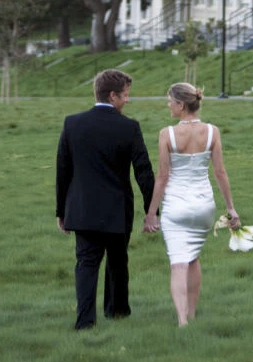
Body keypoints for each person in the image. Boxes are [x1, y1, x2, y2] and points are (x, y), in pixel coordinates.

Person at [56, 69, 155, 330]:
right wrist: (152, 210)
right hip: (117, 210)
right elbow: (143, 170)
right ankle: (117, 312)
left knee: (86, 264)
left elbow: (62, 170)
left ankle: (85, 321)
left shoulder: (72, 123)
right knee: (118, 261)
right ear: (112, 96)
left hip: (83, 209)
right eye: (125, 96)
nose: (128, 101)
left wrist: (61, 211)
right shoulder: (129, 127)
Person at [143, 82, 240, 327]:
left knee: (178, 263)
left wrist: (151, 213)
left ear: (181, 105)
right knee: (193, 257)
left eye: (170, 101)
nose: (168, 105)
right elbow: (220, 172)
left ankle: (182, 320)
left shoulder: (167, 134)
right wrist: (230, 208)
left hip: (176, 207)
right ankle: (193, 314)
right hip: (204, 206)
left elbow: (163, 177)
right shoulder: (212, 132)